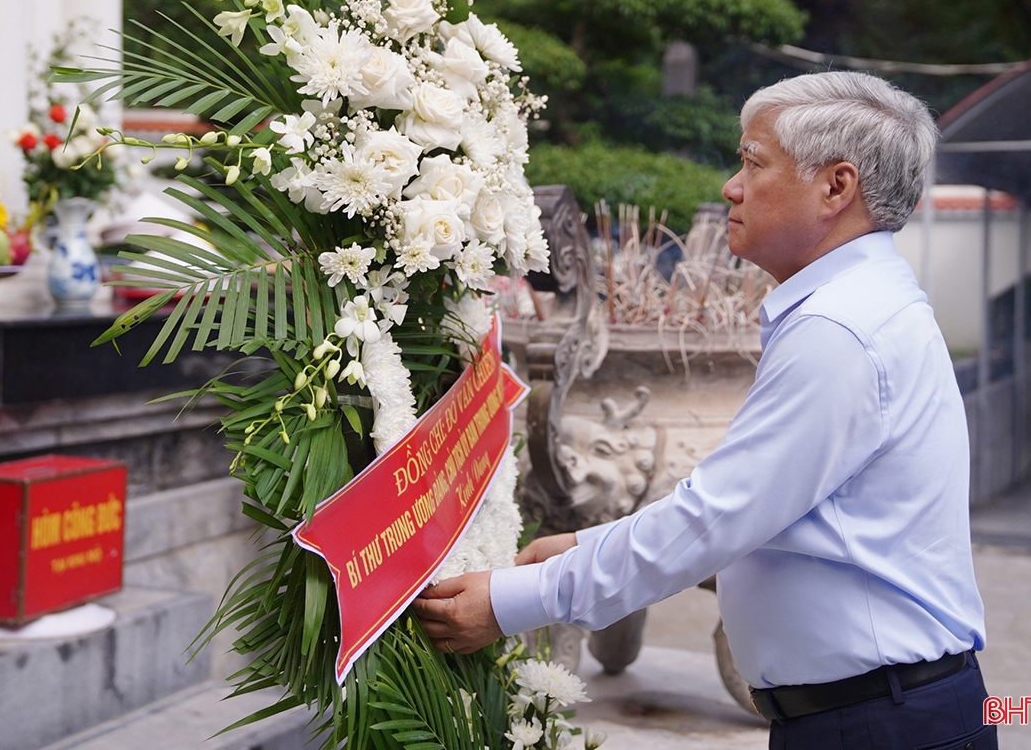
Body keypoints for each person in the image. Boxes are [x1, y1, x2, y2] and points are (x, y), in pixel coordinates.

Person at [412, 71, 994, 749]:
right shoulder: (863, 305)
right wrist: (581, 545)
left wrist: (517, 600)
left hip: (880, 721)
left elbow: (717, 518)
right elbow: (753, 514)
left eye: (753, 162)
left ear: (836, 187)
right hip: (882, 711)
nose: (731, 187)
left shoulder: (842, 330)